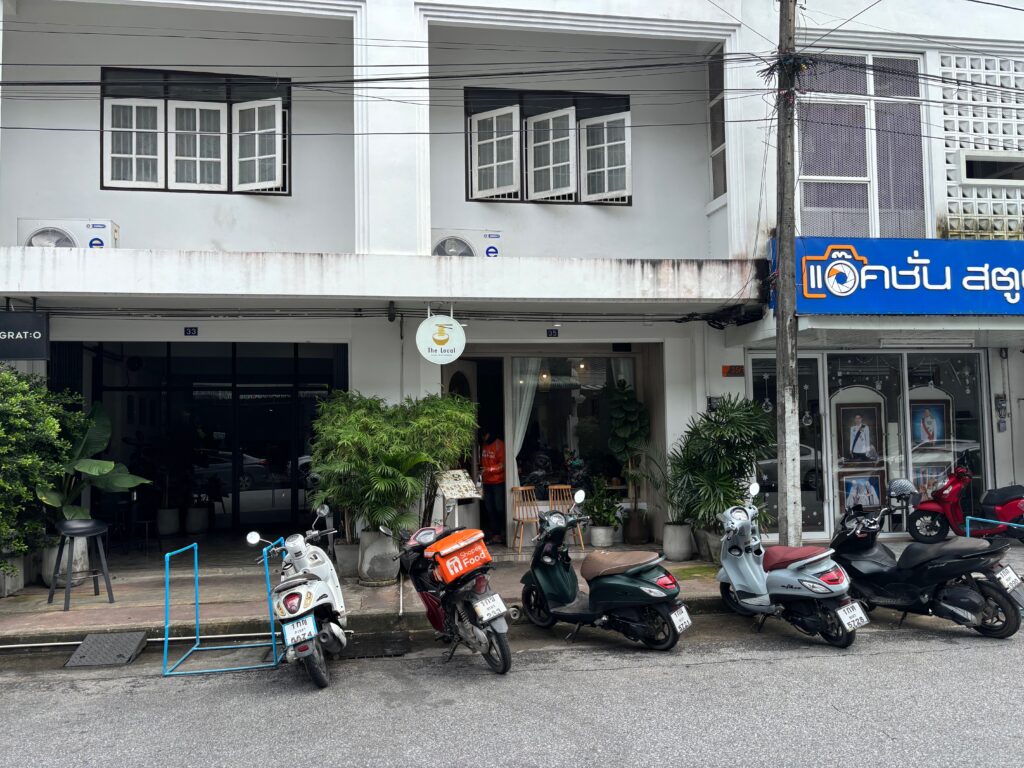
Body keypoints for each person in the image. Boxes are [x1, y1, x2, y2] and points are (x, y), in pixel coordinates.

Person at [480, 427, 506, 545]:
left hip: (498, 482)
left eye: (484, 436)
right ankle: (495, 534)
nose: (483, 438)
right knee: (489, 509)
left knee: (499, 508)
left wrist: (489, 469)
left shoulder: (499, 445)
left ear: (489, 434)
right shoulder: (484, 445)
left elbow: (503, 465)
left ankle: (503, 532)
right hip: (486, 482)